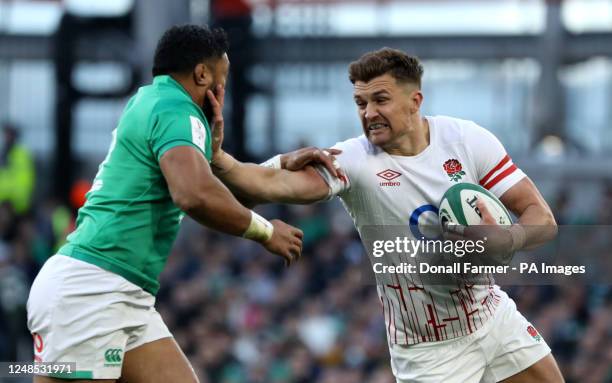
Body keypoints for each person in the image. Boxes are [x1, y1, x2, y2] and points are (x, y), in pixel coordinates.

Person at [209, 48, 564, 382]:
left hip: (491, 315)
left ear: (415, 102)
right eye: (360, 103)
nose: (368, 113)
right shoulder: (352, 159)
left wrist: (509, 237)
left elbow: (542, 218)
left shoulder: (467, 140)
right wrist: (221, 157)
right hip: (429, 350)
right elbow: (269, 187)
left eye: (380, 100)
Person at [26, 25, 337, 383]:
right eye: (223, 78)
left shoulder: (153, 101)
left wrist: (276, 163)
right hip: (92, 290)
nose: (224, 89)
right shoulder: (176, 109)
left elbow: (224, 188)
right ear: (202, 73)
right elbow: (194, 195)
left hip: (123, 294)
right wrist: (265, 232)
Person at [0, 123, 35, 215]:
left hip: (17, 205)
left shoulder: (22, 154)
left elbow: (26, 180)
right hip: (4, 203)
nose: (7, 137)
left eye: (9, 134)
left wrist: (17, 199)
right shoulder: (3, 153)